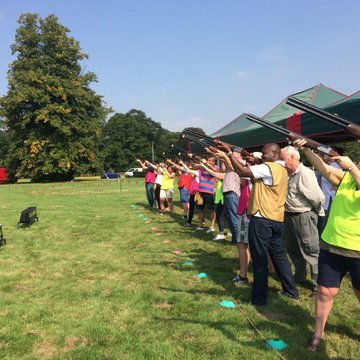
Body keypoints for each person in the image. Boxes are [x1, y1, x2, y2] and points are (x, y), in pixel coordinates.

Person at [293, 139, 360, 352]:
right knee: (324, 291)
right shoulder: (347, 177)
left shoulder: (352, 173)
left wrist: (351, 167)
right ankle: (318, 334)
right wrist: (306, 149)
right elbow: (323, 167)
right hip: (332, 244)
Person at [220, 142, 299, 306]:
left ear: (275, 155)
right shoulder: (282, 168)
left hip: (262, 218)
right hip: (276, 218)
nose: (262, 156)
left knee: (259, 259)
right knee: (279, 256)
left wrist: (229, 153)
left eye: (265, 153)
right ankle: (291, 290)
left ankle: (259, 298)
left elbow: (241, 171)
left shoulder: (268, 167)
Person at [281, 146, 325, 292]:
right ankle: (300, 276)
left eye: (283, 158)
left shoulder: (305, 173)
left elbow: (318, 197)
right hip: (290, 216)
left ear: (293, 158)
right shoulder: (289, 173)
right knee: (293, 248)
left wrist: (311, 213)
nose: (282, 161)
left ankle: (317, 283)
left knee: (311, 249)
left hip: (303, 216)